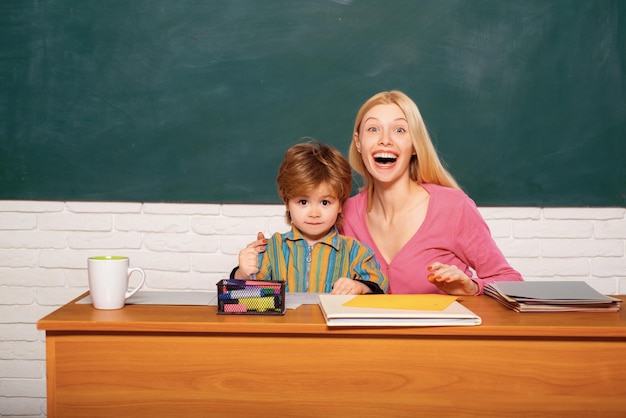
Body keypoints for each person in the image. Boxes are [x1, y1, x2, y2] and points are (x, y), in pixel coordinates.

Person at [341, 90, 523, 295]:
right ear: (358, 142)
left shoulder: (453, 207)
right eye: (373, 129)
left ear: (415, 145)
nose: (385, 140)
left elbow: (511, 281)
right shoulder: (344, 214)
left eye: (400, 130)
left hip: (442, 328)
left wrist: (471, 288)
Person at [231, 140, 388, 295]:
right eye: (303, 202)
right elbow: (244, 298)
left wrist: (361, 287)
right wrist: (242, 274)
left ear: (340, 205)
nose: (314, 213)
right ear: (287, 202)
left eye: (325, 202)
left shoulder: (355, 252)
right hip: (287, 321)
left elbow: (380, 285)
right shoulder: (272, 249)